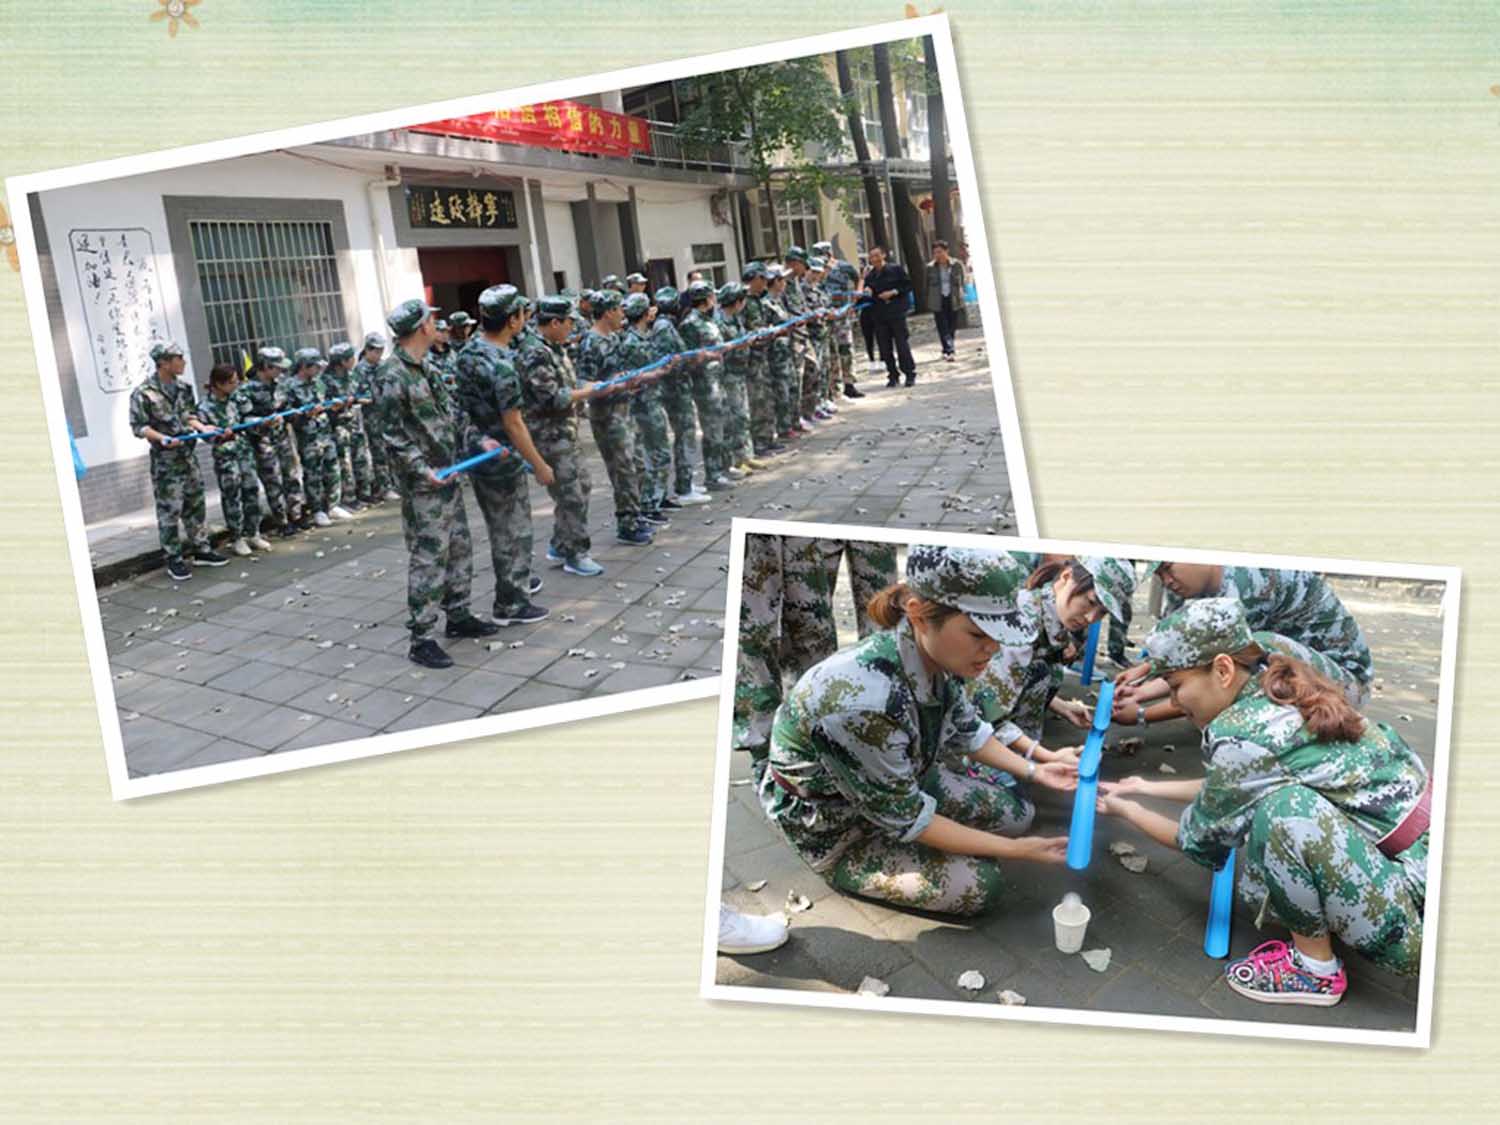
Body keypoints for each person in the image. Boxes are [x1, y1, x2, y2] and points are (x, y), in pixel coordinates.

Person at [1096, 598, 1430, 1006]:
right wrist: (1146, 787)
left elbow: (1197, 842)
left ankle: (1315, 971)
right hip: (1420, 860)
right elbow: (1240, 782)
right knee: (1273, 803)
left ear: (1222, 670)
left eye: (1176, 685)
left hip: (1413, 913)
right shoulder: (1274, 677)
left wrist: (1127, 809)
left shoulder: (1242, 734)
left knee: (1281, 812)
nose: (1175, 703)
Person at [758, 546, 1077, 916]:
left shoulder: (937, 656)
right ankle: (840, 865)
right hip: (835, 826)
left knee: (1018, 816)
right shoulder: (863, 704)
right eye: (978, 633)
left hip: (898, 783)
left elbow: (969, 732)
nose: (992, 649)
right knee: (979, 885)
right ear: (919, 616)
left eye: (999, 633)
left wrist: (1037, 770)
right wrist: (1017, 851)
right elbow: (908, 818)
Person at [370, 297, 499, 669]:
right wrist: (420, 468)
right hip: (424, 484)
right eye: (431, 320)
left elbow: (451, 415)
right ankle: (421, 637)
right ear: (421, 327)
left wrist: (478, 440)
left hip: (450, 474)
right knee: (429, 557)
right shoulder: (391, 375)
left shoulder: (426, 367)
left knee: (459, 548)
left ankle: (458, 615)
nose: (435, 326)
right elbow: (390, 435)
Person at [1114, 563, 1375, 726]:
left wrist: (1142, 715)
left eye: (1168, 568)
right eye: (1159, 574)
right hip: (1296, 667)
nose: (1166, 580)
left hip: (1345, 686)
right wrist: (1141, 687)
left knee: (1247, 667)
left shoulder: (1247, 587)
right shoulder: (1201, 588)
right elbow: (1192, 661)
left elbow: (1217, 677)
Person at [969, 556, 1136, 768]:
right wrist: (1045, 757)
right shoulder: (1021, 630)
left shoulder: (1053, 616)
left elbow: (1020, 680)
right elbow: (984, 716)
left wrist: (1061, 706)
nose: (1091, 617)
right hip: (977, 746)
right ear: (1066, 577)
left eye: (1102, 612)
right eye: (1091, 602)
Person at [454, 284, 556, 627]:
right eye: (522, 313)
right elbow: (514, 423)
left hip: (479, 449)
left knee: (500, 524)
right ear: (513, 320)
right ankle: (511, 603)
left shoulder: (468, 352)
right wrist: (540, 465)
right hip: (501, 455)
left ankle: (516, 579)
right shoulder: (502, 364)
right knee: (514, 529)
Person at [518, 295, 604, 577]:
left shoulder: (554, 348)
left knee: (583, 486)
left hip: (566, 433)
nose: (572, 327)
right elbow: (553, 398)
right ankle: (575, 553)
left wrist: (587, 386)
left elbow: (566, 384)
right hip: (549, 437)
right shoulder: (535, 353)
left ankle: (560, 542)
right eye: (568, 322)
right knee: (571, 496)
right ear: (554, 323)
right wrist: (587, 392)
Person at [128, 341, 227, 581]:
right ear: (164, 362)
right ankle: (173, 557)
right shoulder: (144, 393)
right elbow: (139, 427)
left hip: (188, 457)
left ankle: (201, 549)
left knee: (195, 505)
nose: (183, 362)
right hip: (166, 462)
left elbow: (189, 416)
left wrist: (202, 427)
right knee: (170, 510)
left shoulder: (184, 388)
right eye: (179, 358)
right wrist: (162, 438)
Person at [575, 289, 653, 545]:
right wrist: (614, 384)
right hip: (607, 415)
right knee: (623, 469)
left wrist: (631, 379)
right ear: (608, 312)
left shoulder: (615, 337)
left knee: (637, 465)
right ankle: (627, 524)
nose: (623, 314)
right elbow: (584, 383)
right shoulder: (591, 342)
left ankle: (636, 513)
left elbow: (620, 372)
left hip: (624, 409)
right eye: (619, 309)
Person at [195, 363, 271, 557]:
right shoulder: (204, 407)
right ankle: (237, 537)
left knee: (251, 491)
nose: (236, 385)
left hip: (244, 451)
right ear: (219, 384)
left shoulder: (237, 398)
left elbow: (247, 418)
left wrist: (261, 422)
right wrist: (220, 435)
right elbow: (205, 436)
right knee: (232, 496)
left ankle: (253, 532)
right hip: (226, 457)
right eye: (232, 382)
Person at [648, 287, 710, 506]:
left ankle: (687, 481)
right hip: (674, 390)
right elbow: (668, 362)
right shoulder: (665, 328)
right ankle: (684, 486)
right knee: (685, 435)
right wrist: (690, 361)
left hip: (677, 388)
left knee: (686, 434)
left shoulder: (666, 326)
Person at [617, 293, 673, 524]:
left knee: (659, 451)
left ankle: (659, 496)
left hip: (652, 400)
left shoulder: (641, 336)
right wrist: (660, 372)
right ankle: (650, 503)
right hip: (643, 405)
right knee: (655, 453)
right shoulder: (632, 342)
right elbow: (635, 377)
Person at [239, 345, 307, 533]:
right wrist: (262, 422)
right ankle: (282, 521)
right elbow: (243, 418)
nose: (281, 371)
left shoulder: (281, 385)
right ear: (266, 366)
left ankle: (297, 515)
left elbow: (288, 406)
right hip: (263, 443)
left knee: (291, 476)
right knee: (273, 482)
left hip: (283, 438)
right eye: (277, 368)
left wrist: (293, 414)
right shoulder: (247, 390)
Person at [282, 348, 352, 527]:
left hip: (325, 432)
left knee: (333, 469)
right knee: (313, 474)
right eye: (315, 366)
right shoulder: (289, 386)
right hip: (308, 436)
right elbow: (286, 414)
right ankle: (317, 510)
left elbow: (326, 401)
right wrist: (305, 414)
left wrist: (333, 407)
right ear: (304, 366)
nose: (319, 370)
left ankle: (333, 505)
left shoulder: (319, 383)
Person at [677, 281, 733, 493]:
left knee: (722, 425)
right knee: (712, 428)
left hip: (717, 379)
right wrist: (712, 354)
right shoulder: (690, 324)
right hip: (704, 383)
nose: (714, 300)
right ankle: (713, 474)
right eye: (712, 296)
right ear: (706, 298)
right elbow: (689, 358)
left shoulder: (708, 319)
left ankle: (723, 467)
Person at [321, 342, 376, 511]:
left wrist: (356, 399)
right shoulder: (325, 381)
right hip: (338, 426)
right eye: (350, 358)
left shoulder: (352, 376)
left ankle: (364, 493)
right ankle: (349, 497)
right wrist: (334, 405)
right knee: (345, 463)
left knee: (360, 459)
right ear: (342, 361)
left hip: (354, 423)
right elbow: (321, 405)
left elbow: (366, 395)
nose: (354, 360)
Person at [713, 280, 758, 476]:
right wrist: (740, 344)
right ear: (737, 302)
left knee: (743, 415)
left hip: (740, 372)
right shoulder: (719, 322)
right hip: (728, 375)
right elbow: (719, 349)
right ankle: (736, 460)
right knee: (733, 418)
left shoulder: (735, 318)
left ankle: (745, 455)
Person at [353, 333, 401, 503]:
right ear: (367, 350)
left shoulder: (383, 365)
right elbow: (358, 394)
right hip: (373, 416)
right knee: (379, 451)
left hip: (388, 414)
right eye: (376, 351)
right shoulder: (360, 370)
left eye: (381, 350)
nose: (379, 354)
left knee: (392, 449)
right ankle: (384, 487)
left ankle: (396, 483)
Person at [861, 246, 916, 387]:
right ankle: (892, 374)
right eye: (871, 257)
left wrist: (893, 292)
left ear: (883, 255)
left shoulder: (895, 269)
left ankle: (909, 373)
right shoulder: (870, 275)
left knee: (902, 345)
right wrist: (867, 290)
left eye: (877, 255)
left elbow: (907, 285)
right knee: (884, 348)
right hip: (879, 315)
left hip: (896, 312)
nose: (874, 259)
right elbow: (867, 293)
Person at [924, 240, 967, 362]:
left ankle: (946, 349)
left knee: (951, 325)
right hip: (937, 299)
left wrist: (962, 296)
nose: (937, 255)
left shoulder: (957, 265)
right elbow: (926, 285)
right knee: (942, 325)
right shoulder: (930, 267)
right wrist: (927, 300)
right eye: (935, 252)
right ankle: (950, 350)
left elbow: (962, 281)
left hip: (953, 298)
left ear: (946, 251)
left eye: (940, 252)